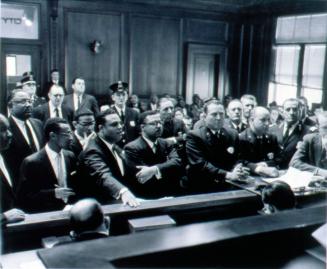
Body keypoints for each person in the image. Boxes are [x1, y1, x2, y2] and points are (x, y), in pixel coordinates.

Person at [78, 109, 140, 207]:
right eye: (114, 124)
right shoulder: (92, 151)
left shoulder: (114, 145)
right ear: (101, 128)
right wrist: (123, 192)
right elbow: (103, 175)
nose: (120, 127)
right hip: (100, 207)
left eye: (120, 123)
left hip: (116, 202)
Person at [186, 100, 249, 193]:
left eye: (221, 114)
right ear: (204, 117)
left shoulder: (232, 134)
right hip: (203, 186)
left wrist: (238, 169)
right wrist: (228, 175)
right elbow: (200, 164)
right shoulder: (194, 136)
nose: (219, 118)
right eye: (214, 114)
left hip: (230, 183)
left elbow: (238, 157)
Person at [17, 117, 77, 213]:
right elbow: (24, 198)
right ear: (52, 135)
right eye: (67, 134)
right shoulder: (32, 162)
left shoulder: (70, 156)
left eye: (71, 133)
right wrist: (53, 194)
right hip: (47, 216)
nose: (71, 138)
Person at [124, 111, 183, 199]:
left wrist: (154, 169)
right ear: (143, 127)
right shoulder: (132, 148)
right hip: (148, 197)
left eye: (160, 122)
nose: (159, 126)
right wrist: (166, 167)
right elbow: (141, 177)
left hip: (171, 193)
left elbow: (177, 162)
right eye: (154, 123)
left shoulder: (166, 143)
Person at [4, 90, 44, 186]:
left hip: (42, 184)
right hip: (19, 185)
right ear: (10, 105)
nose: (28, 105)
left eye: (30, 101)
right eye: (23, 101)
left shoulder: (38, 124)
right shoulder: (5, 128)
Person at [270, 98, 312, 169]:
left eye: (295, 109)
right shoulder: (272, 129)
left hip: (296, 172)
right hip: (273, 170)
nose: (291, 112)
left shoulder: (309, 132)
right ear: (282, 111)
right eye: (288, 109)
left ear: (300, 111)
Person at [239, 107, 281, 177]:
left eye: (268, 120)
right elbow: (240, 162)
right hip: (249, 177)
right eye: (263, 120)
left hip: (270, 176)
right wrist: (258, 168)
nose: (267, 123)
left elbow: (279, 158)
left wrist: (265, 164)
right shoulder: (242, 138)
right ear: (251, 120)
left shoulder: (271, 138)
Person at [0, 114, 25, 224]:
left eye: (9, 129)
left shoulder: (3, 158)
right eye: (3, 130)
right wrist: (3, 217)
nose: (10, 134)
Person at [290, 111, 327, 179]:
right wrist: (319, 171)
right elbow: (294, 162)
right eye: (325, 128)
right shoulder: (309, 139)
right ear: (318, 127)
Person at [109, 81, 140, 145]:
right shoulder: (108, 114)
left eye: (123, 94)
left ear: (127, 96)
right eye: (118, 95)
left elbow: (138, 134)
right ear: (113, 97)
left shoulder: (134, 113)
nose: (121, 97)